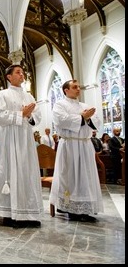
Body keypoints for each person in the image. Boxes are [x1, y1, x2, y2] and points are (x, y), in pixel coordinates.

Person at [0, 64, 43, 228]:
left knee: (27, 174)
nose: (22, 75)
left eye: (23, 72)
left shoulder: (29, 96)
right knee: (10, 172)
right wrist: (22, 114)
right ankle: (9, 213)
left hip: (26, 139)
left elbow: (38, 117)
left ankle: (28, 212)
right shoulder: (2, 95)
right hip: (9, 139)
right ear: (9, 77)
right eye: (18, 72)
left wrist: (30, 116)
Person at [49, 79, 103, 222]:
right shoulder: (60, 105)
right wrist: (82, 117)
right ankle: (69, 208)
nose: (78, 89)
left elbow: (96, 121)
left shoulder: (85, 105)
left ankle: (85, 209)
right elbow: (61, 121)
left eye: (79, 87)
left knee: (86, 177)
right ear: (66, 90)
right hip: (69, 145)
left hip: (85, 145)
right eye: (74, 87)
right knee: (70, 177)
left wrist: (88, 118)